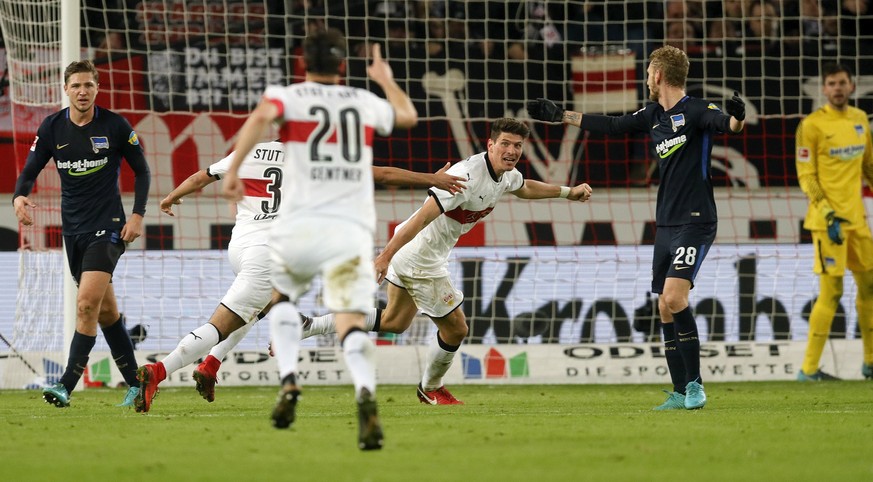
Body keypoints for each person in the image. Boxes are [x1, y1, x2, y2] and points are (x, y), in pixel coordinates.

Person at [133, 142, 465, 411]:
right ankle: (159, 371)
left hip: (240, 247)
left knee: (254, 309)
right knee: (221, 323)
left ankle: (211, 364)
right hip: (270, 254)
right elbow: (382, 175)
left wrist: (172, 196)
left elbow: (200, 178)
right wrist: (430, 179)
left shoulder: (245, 152)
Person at [301, 117, 593, 405]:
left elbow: (524, 187)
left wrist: (568, 193)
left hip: (419, 253)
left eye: (517, 145)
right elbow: (423, 217)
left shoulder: (504, 174)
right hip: (420, 258)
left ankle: (311, 326)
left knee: (395, 321)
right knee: (456, 329)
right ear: (490, 145)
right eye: (505, 143)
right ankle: (431, 387)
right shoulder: (465, 176)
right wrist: (384, 257)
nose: (512, 151)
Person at [222, 28, 418, 451]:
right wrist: (383, 78)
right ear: (343, 65)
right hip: (349, 225)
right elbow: (407, 117)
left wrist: (235, 168)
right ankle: (365, 392)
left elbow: (258, 119)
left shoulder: (288, 97)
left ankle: (290, 381)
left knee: (283, 300)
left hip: (300, 222)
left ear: (302, 63)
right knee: (350, 316)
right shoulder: (362, 101)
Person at [527, 45, 746, 410]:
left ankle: (695, 387)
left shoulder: (697, 110)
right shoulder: (653, 115)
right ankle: (679, 392)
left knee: (675, 299)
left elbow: (728, 125)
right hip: (665, 224)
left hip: (696, 221)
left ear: (658, 75)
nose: (646, 78)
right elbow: (612, 125)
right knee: (663, 307)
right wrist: (560, 115)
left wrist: (738, 117)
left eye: (647, 72)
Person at [12, 60, 150, 408]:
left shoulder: (115, 126)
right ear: (66, 89)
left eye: (89, 85)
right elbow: (30, 170)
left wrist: (137, 216)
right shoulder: (52, 128)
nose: (83, 91)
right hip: (73, 230)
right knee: (104, 312)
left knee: (86, 304)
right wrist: (19, 195)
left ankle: (65, 384)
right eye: (76, 86)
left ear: (97, 88)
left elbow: (143, 172)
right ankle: (137, 383)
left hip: (109, 227)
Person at [795, 62, 873, 382]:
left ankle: (869, 363)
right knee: (832, 293)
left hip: (857, 221)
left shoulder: (860, 120)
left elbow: (869, 167)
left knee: (869, 287)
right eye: (831, 83)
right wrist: (827, 212)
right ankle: (809, 369)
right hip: (828, 223)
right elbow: (806, 176)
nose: (837, 88)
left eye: (842, 83)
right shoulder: (811, 125)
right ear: (824, 89)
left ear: (851, 87)